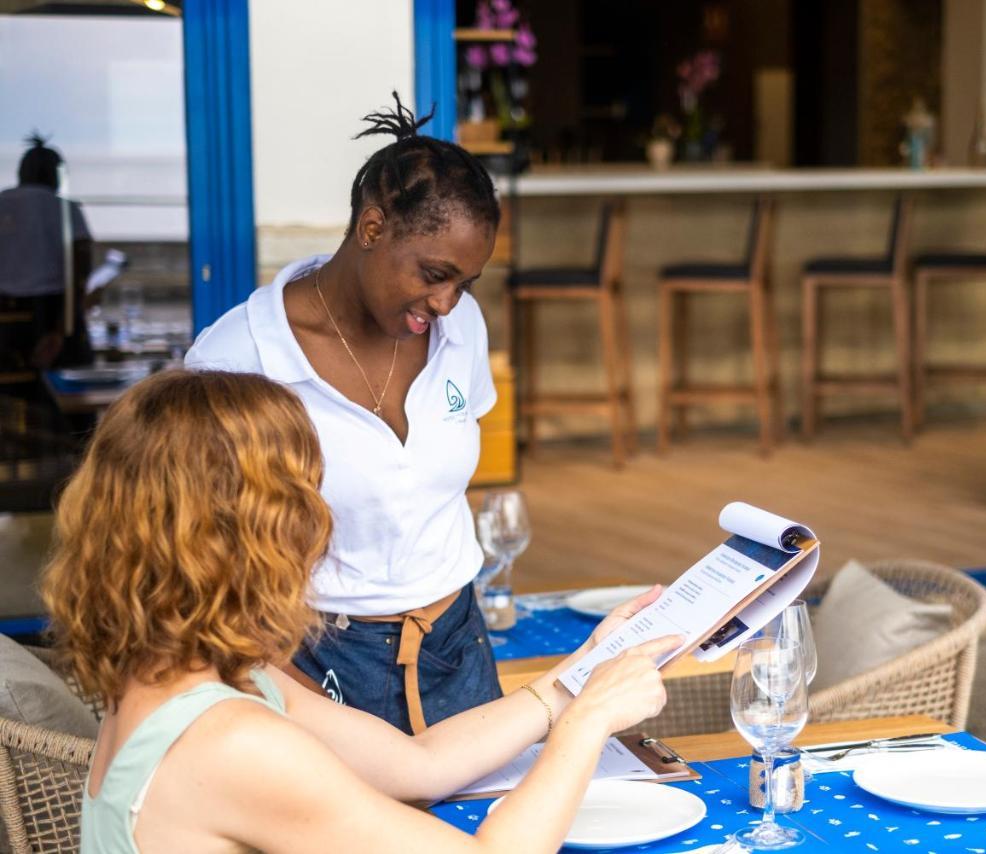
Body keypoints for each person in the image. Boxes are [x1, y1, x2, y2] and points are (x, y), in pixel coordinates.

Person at [41, 369, 678, 853]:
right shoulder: (232, 742)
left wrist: (580, 674)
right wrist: (587, 725)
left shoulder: (179, 681)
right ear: (262, 535)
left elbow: (418, 766)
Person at [185, 93, 520, 734]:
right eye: (434, 273)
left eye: (465, 284)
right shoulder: (239, 357)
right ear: (371, 229)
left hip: (458, 644)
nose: (448, 302)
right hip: (315, 660)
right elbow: (194, 548)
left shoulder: (459, 328)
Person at [0, 133, 93, 377]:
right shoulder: (65, 208)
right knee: (66, 382)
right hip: (52, 309)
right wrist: (63, 327)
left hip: (5, 310)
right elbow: (80, 268)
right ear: (56, 174)